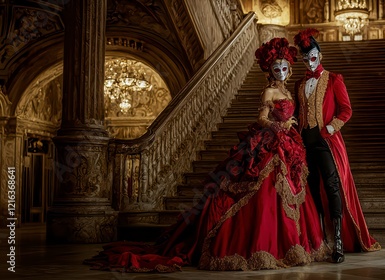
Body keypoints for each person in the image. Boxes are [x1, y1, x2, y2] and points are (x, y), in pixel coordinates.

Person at [84, 37, 329, 273]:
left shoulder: (289, 92)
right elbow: (261, 119)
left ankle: (288, 242)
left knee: (290, 193)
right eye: (277, 68)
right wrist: (280, 126)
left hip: (289, 145)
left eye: (285, 67)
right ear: (270, 69)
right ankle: (262, 244)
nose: (281, 71)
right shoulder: (268, 92)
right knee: (262, 191)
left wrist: (292, 128)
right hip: (268, 144)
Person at [293, 29, 381, 263]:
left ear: (319, 55)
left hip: (326, 141)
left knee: (332, 186)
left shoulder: (334, 79)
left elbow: (346, 110)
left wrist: (330, 129)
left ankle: (338, 240)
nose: (310, 62)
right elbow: (297, 113)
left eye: (312, 57)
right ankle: (320, 239)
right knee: (311, 190)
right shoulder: (299, 84)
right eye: (305, 59)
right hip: (304, 143)